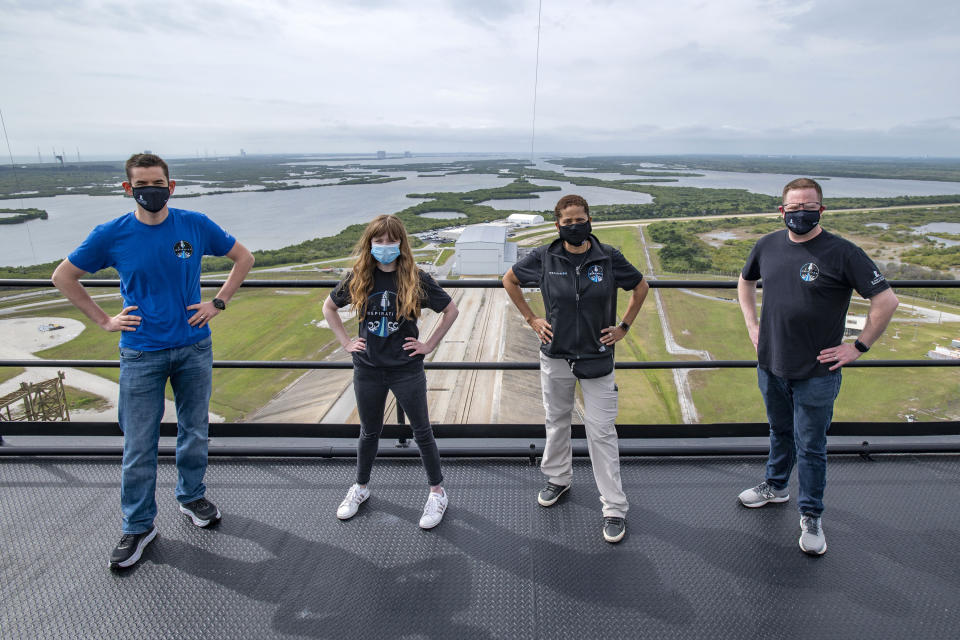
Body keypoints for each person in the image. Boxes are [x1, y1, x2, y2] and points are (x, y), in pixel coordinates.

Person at [52, 153, 255, 569]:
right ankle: (139, 525)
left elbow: (244, 258)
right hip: (141, 351)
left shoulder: (194, 225)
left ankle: (191, 496)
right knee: (139, 443)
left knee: (194, 430)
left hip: (194, 346)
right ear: (128, 189)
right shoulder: (112, 234)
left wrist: (218, 301)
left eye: (158, 183)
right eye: (142, 184)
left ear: (171, 186)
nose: (151, 191)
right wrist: (105, 321)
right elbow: (63, 276)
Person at [737, 177, 899, 556]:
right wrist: (751, 324)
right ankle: (776, 487)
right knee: (779, 432)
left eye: (808, 206)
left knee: (811, 447)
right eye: (793, 207)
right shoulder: (768, 245)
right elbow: (745, 283)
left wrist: (858, 346)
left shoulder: (842, 252)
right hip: (772, 365)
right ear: (781, 210)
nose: (800, 213)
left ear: (821, 209)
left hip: (817, 373)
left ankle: (811, 515)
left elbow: (886, 301)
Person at [503, 194, 649, 543]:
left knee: (601, 431)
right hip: (556, 355)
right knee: (557, 420)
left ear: (590, 220)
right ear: (557, 225)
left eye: (579, 219)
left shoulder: (609, 257)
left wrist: (624, 327)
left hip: (598, 358)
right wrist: (531, 318)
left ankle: (614, 507)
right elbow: (509, 280)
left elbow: (640, 287)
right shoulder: (544, 256)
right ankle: (558, 478)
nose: (574, 226)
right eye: (567, 222)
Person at [323, 214, 459, 529]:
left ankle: (437, 492)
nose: (385, 246)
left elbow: (451, 309)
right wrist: (346, 342)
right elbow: (329, 307)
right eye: (379, 241)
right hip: (368, 368)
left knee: (422, 432)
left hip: (406, 369)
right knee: (369, 432)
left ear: (401, 243)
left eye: (391, 241)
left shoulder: (415, 277)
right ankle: (360, 487)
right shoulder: (359, 276)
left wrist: (429, 344)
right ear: (370, 244)